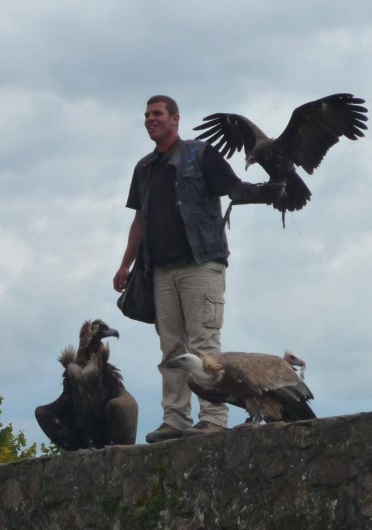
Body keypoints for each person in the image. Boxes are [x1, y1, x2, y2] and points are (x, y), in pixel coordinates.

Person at [113, 95, 283, 443]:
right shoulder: (144, 167)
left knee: (204, 345)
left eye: (157, 114)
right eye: (146, 115)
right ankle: (175, 419)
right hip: (159, 269)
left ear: (175, 119)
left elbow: (234, 188)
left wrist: (271, 192)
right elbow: (140, 220)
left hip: (201, 263)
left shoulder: (200, 154)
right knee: (172, 350)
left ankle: (213, 417)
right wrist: (124, 263)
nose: (150, 119)